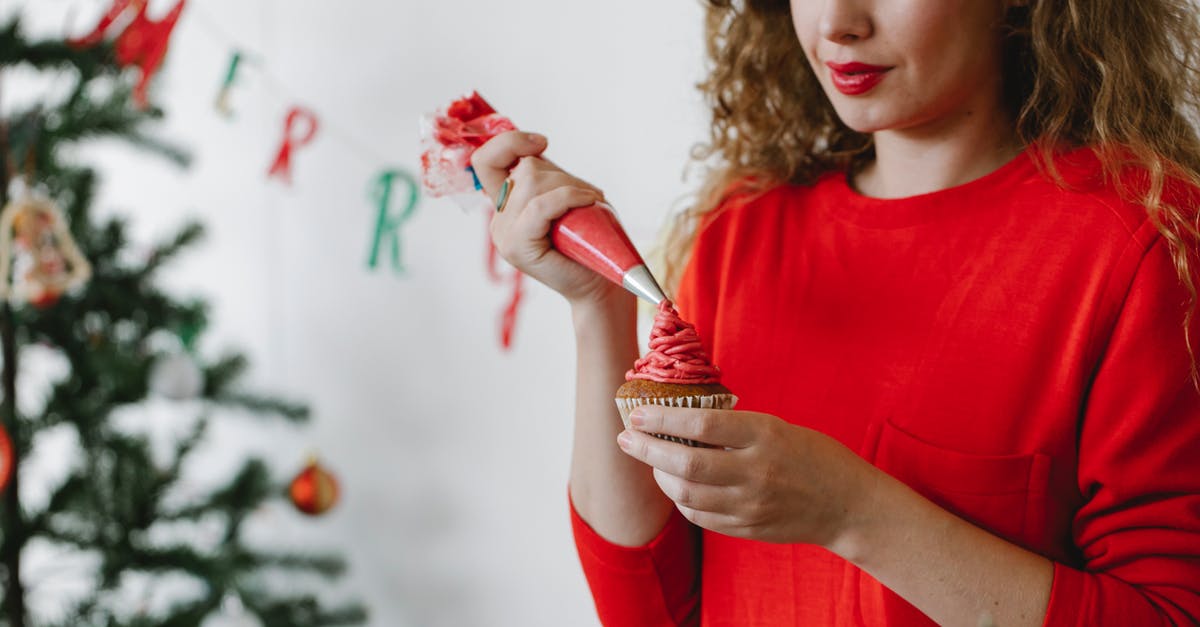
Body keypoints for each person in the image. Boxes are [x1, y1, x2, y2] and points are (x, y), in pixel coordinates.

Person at [471, 0, 1200, 624]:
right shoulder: (743, 232)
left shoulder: (1143, 242)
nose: (839, 23)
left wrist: (853, 511)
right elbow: (653, 610)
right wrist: (597, 307)